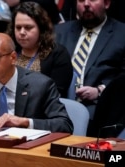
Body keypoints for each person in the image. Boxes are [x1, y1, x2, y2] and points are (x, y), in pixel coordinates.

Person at [54, 0, 125, 135]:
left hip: (100, 110)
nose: (86, 4)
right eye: (81, 0)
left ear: (107, 3)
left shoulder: (121, 34)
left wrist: (100, 91)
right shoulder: (59, 32)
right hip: (57, 106)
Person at [6, 2, 73, 98]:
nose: (22, 32)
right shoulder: (10, 50)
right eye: (18, 27)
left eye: (28, 28)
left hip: (40, 109)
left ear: (41, 28)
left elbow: (56, 94)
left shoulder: (58, 54)